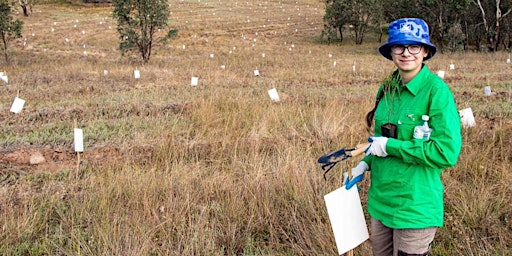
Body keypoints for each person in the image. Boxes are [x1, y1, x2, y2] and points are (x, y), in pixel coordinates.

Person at [344, 18, 462, 256]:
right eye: (399, 47)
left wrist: (392, 146)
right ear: (391, 52)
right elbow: (380, 139)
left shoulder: (437, 92)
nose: (406, 53)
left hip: (414, 207)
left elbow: (446, 153)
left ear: (425, 51)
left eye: (414, 46)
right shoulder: (387, 87)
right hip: (381, 203)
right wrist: (364, 163)